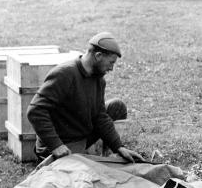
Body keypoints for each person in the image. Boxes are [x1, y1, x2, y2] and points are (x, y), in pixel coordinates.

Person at [27, 32, 142, 163]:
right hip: (62, 144)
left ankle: (102, 153)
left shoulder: (98, 79)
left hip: (81, 134)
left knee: (117, 106)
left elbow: (100, 116)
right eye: (111, 62)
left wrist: (118, 147)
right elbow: (35, 110)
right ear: (98, 56)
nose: (111, 68)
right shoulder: (65, 74)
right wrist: (56, 145)